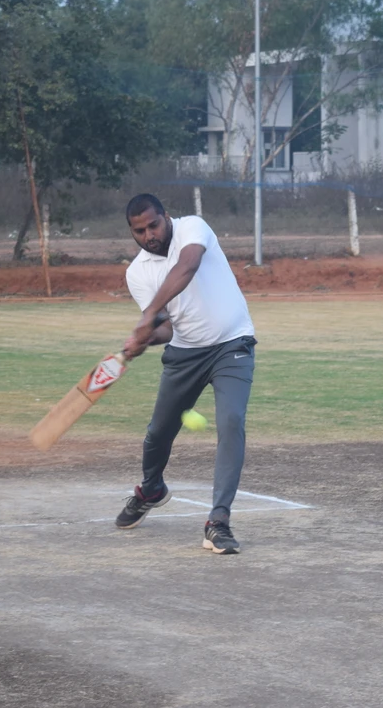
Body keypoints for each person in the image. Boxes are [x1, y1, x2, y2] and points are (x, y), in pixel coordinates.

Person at [115, 194, 257, 553]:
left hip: (232, 344)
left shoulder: (193, 227)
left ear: (167, 216)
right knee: (157, 434)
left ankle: (218, 521)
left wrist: (148, 314)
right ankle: (151, 489)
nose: (149, 235)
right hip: (185, 355)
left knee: (231, 421)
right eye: (139, 231)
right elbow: (165, 329)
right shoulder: (138, 273)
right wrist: (145, 337)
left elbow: (188, 266)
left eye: (154, 225)